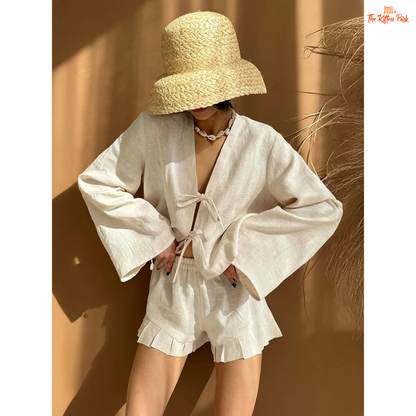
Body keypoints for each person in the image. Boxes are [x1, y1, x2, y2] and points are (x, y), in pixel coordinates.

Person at [78, 11, 343, 416]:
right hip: (173, 285)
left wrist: (248, 253)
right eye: (187, 88)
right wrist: (154, 236)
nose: (198, 99)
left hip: (233, 293)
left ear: (228, 82)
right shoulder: (153, 129)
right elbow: (98, 182)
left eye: (207, 87)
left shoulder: (261, 141)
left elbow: (321, 208)